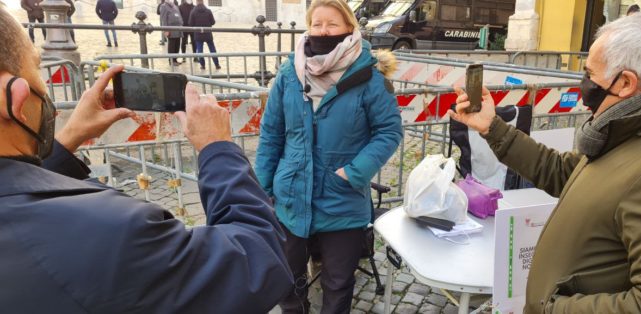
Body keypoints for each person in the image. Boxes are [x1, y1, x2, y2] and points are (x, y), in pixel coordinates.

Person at [0, 6, 293, 313]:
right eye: (36, 67)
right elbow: (258, 260)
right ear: (15, 94)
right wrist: (217, 147)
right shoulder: (110, 228)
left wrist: (66, 139)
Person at [449, 13, 641, 313]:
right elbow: (564, 171)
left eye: (591, 74)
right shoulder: (632, 128)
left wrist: (552, 309)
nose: (585, 85)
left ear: (626, 83)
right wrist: (492, 127)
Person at [255, 0, 403, 312]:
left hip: (342, 198)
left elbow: (389, 131)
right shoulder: (289, 73)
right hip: (290, 197)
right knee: (288, 280)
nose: (323, 30)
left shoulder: (369, 77)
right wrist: (263, 189)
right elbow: (271, 134)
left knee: (338, 283)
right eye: (317, 24)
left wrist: (355, 172)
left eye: (332, 24)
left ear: (350, 28)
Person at [188, 0, 220, 70]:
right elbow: (213, 22)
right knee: (212, 49)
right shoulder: (208, 11)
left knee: (200, 50)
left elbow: (190, 23)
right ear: (203, 2)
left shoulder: (193, 12)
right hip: (208, 33)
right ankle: (217, 64)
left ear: (196, 2)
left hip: (198, 34)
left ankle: (202, 65)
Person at [161, 0, 184, 66]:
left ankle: (175, 59)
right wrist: (165, 30)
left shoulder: (175, 6)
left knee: (177, 45)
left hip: (178, 28)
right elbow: (164, 19)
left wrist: (181, 23)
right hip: (171, 29)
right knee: (172, 45)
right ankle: (171, 61)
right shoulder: (164, 6)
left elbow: (179, 16)